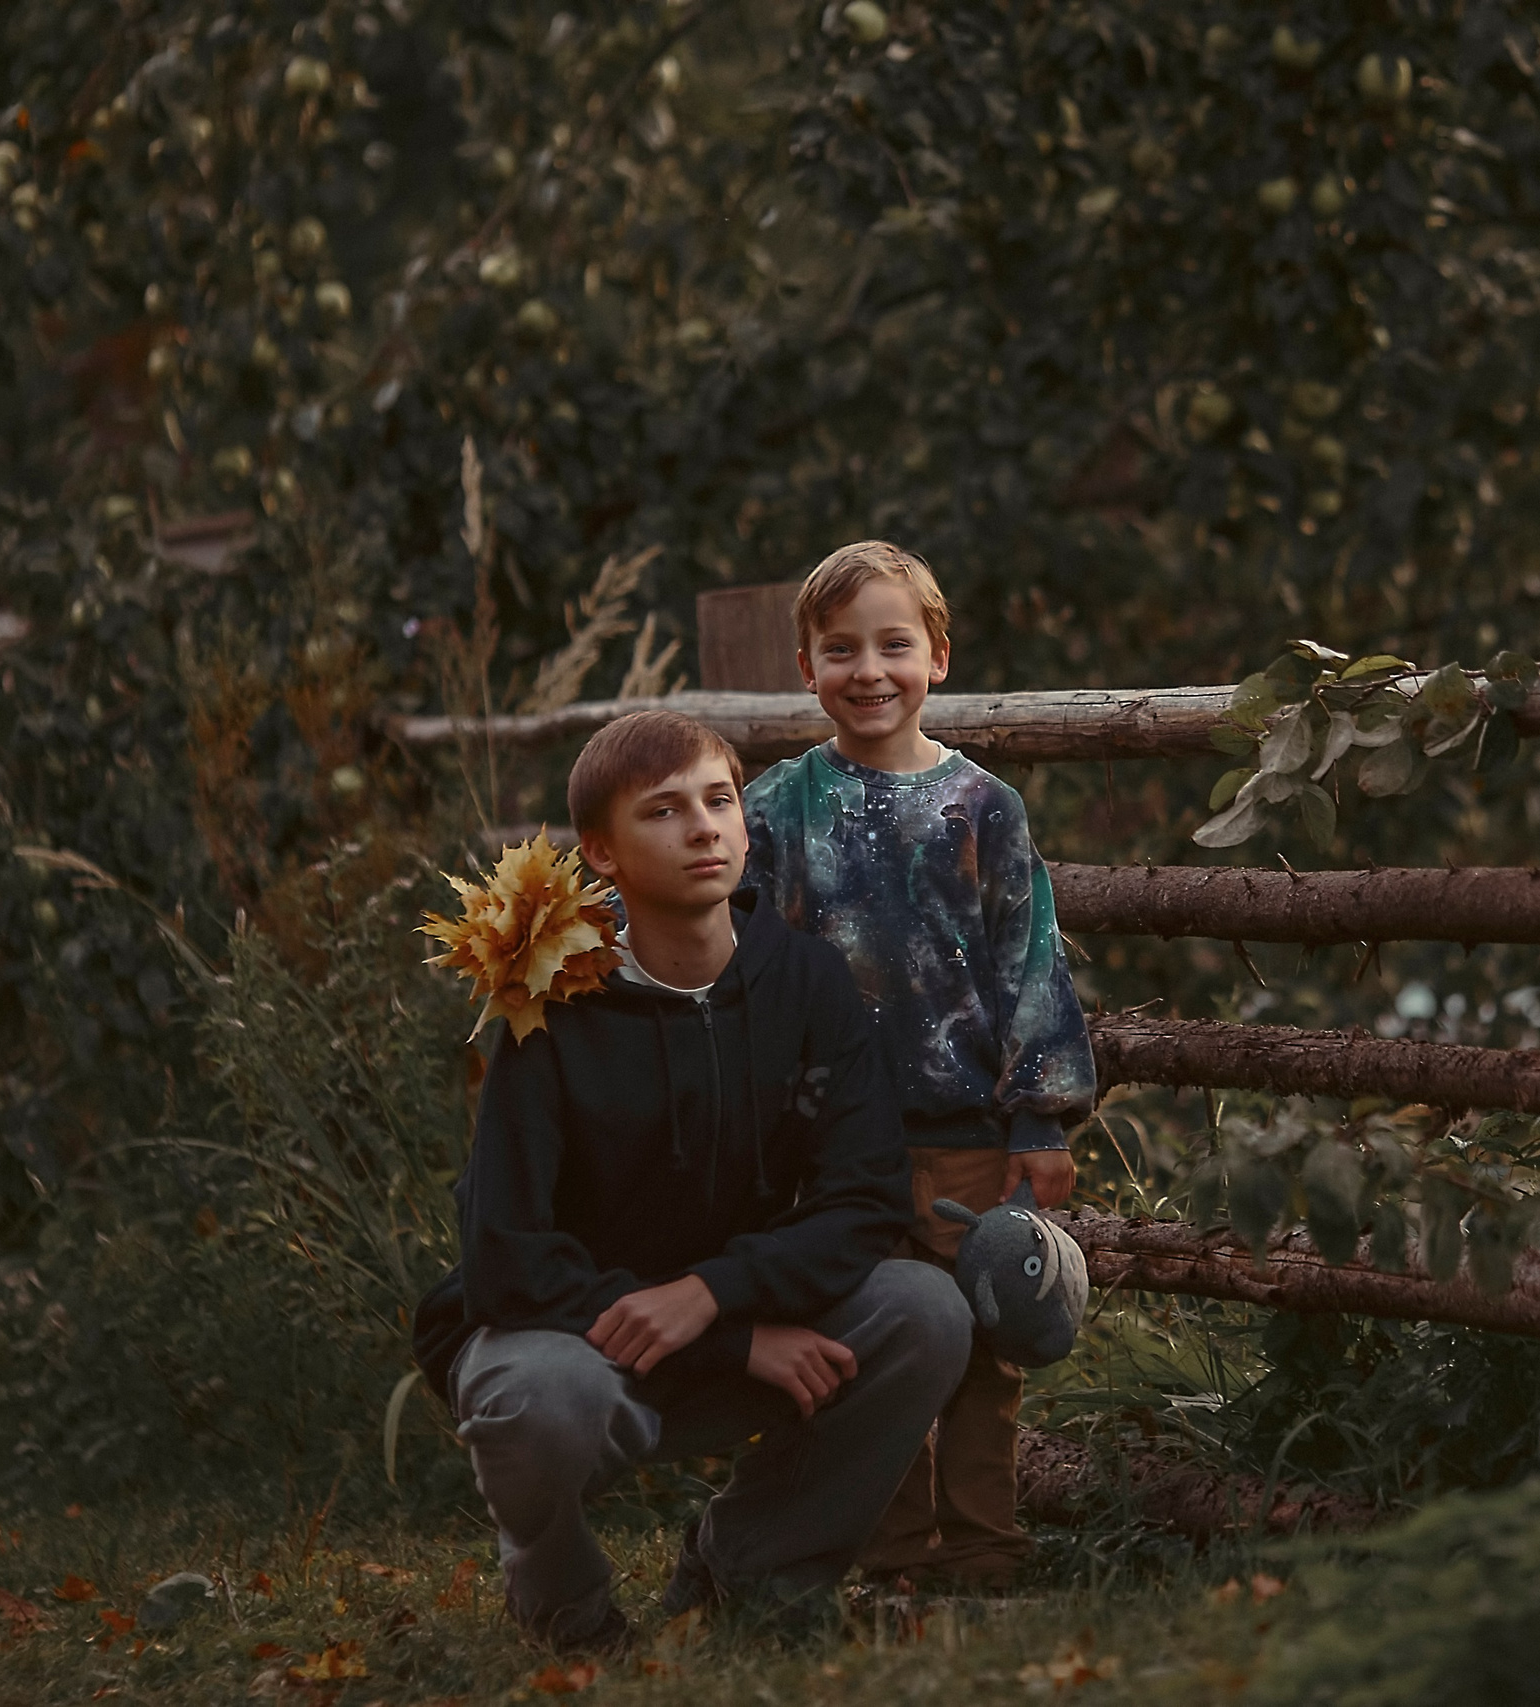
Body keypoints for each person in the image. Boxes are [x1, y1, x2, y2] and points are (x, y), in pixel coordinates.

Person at [411, 710, 970, 1652]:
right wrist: (730, 1340)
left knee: (925, 1312)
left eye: (719, 801)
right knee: (534, 1401)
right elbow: (504, 1256)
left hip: (724, 1309)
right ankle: (569, 1611)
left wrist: (719, 1294)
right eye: (664, 811)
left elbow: (865, 1198)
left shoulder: (807, 984)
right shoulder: (549, 1011)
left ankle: (753, 1566)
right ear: (603, 851)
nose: (704, 827)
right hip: (575, 1344)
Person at [743, 540, 1099, 1590]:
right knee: (867, 1352)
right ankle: (891, 1557)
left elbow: (1028, 962)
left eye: (894, 644)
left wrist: (1039, 1123)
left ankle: (984, 1555)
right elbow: (725, 946)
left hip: (962, 1139)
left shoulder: (982, 809)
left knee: (984, 1352)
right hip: (829, 1148)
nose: (868, 671)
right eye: (839, 649)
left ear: (937, 656)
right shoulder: (775, 811)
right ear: (805, 669)